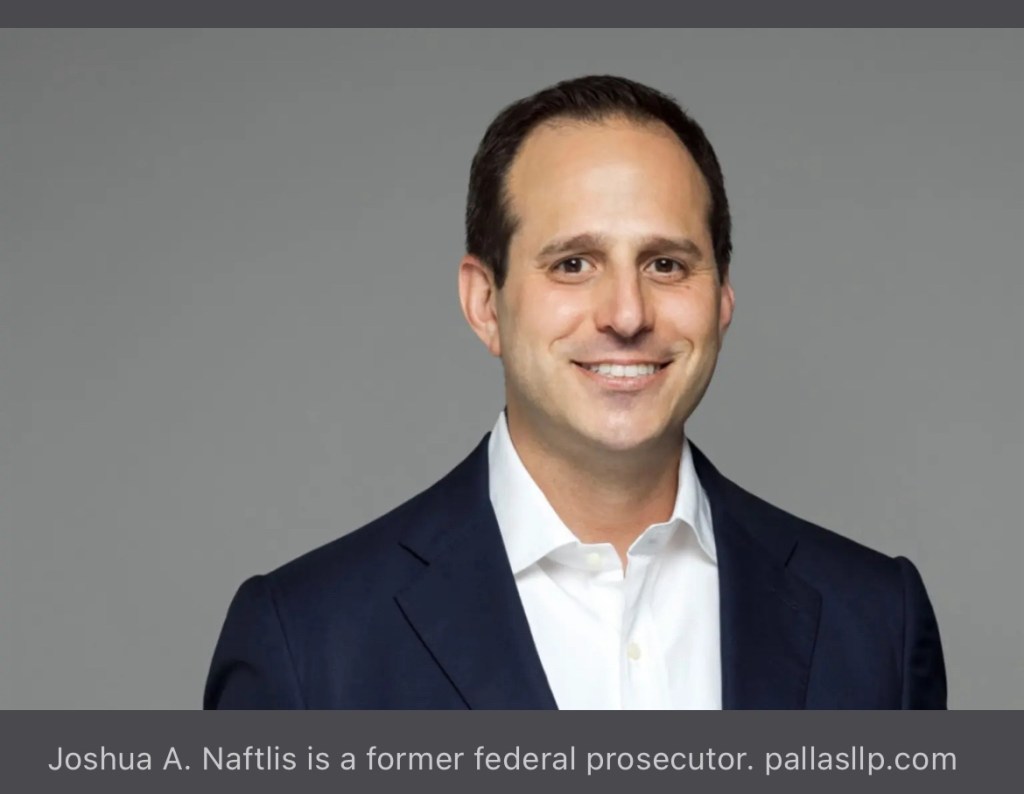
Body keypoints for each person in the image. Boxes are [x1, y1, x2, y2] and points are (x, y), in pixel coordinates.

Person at [204, 75, 947, 709]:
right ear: (485, 303)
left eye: (665, 264)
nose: (626, 314)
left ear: (722, 298)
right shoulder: (306, 644)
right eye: (573, 265)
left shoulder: (877, 622)